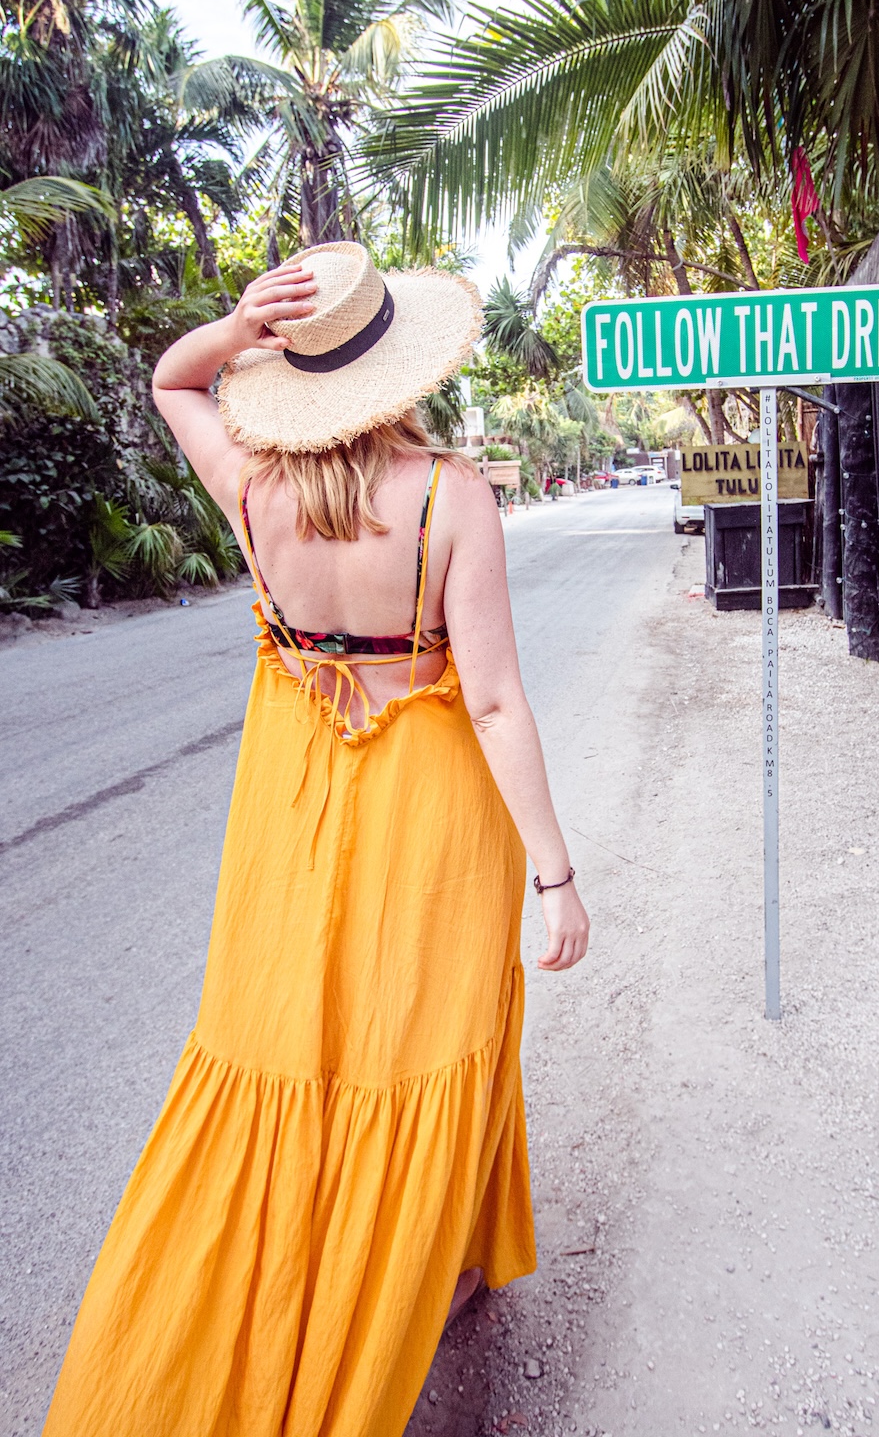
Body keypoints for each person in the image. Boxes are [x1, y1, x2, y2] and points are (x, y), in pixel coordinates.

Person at [44, 242, 589, 1437]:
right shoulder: (452, 495)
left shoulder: (250, 485)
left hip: (294, 802)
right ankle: (412, 1281)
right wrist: (556, 873)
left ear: (299, 374)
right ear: (402, 371)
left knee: (292, 1045)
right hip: (432, 809)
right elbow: (492, 703)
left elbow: (170, 385)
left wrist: (242, 327)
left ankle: (276, 1289)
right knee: (425, 1039)